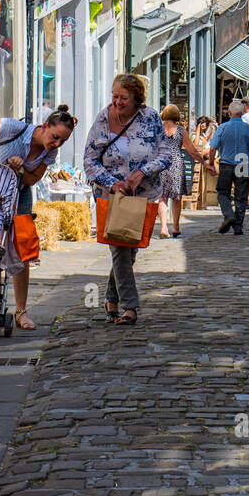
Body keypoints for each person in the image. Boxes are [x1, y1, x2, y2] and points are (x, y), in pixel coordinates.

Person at [0, 106, 76, 330]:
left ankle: (21, 311)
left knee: (22, 250)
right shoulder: (14, 128)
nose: (57, 144)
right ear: (43, 127)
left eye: (63, 141)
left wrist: (19, 170)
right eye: (55, 137)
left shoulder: (50, 151)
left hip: (17, 194)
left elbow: (32, 179)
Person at [83, 75, 171, 325]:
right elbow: (89, 161)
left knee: (129, 251)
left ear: (136, 99)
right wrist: (113, 182)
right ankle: (130, 306)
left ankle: (111, 299)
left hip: (144, 195)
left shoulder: (150, 117)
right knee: (120, 248)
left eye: (123, 98)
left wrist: (142, 172)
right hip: (111, 195)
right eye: (114, 96)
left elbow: (166, 155)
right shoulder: (103, 118)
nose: (117, 102)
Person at [207, 100, 249, 236]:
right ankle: (238, 226)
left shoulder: (223, 128)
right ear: (242, 113)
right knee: (241, 195)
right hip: (242, 164)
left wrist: (211, 163)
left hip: (226, 164)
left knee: (223, 192)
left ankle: (229, 214)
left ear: (229, 113)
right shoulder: (248, 129)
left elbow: (212, 148)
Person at [157, 105, 203, 238]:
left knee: (162, 197)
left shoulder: (158, 130)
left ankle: (164, 228)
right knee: (176, 197)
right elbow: (191, 150)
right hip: (176, 163)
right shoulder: (181, 131)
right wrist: (203, 162)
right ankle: (176, 227)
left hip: (161, 164)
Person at [191, 115, 217, 208]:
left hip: (207, 158)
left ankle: (204, 203)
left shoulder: (202, 135)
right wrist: (198, 130)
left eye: (206, 126)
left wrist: (213, 129)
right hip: (201, 159)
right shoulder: (195, 135)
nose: (205, 128)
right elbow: (196, 146)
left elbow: (206, 139)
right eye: (204, 126)